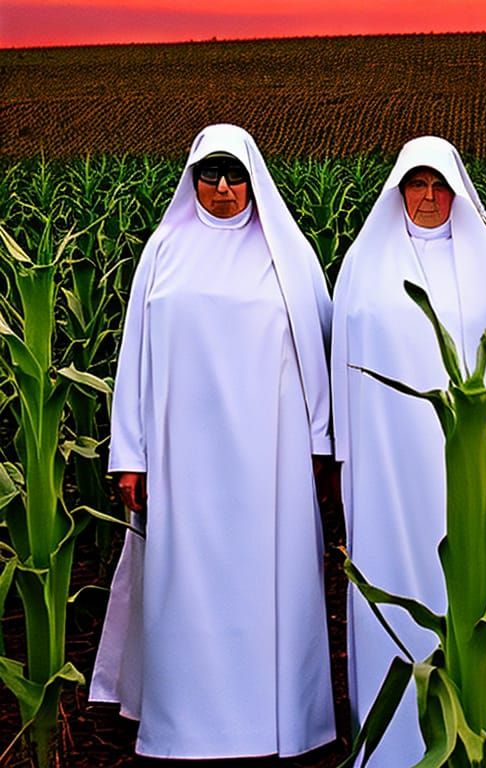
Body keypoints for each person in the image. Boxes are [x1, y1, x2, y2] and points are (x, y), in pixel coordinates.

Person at [90, 123, 336, 759]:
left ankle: (274, 723)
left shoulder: (288, 254)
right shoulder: (164, 251)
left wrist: (319, 443)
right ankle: (185, 727)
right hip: (183, 462)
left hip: (269, 463)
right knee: (185, 589)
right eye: (210, 175)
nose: (223, 189)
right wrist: (131, 456)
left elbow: (319, 349)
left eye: (235, 176)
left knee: (269, 585)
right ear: (193, 178)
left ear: (253, 180)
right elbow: (135, 358)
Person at [331, 135, 486, 765]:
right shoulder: (363, 267)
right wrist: (343, 459)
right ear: (399, 191)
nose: (429, 196)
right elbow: (343, 368)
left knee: (466, 590)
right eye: (417, 184)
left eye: (440, 185)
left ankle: (472, 733)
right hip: (385, 469)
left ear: (457, 192)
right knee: (391, 587)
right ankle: (389, 749)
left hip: (465, 472)